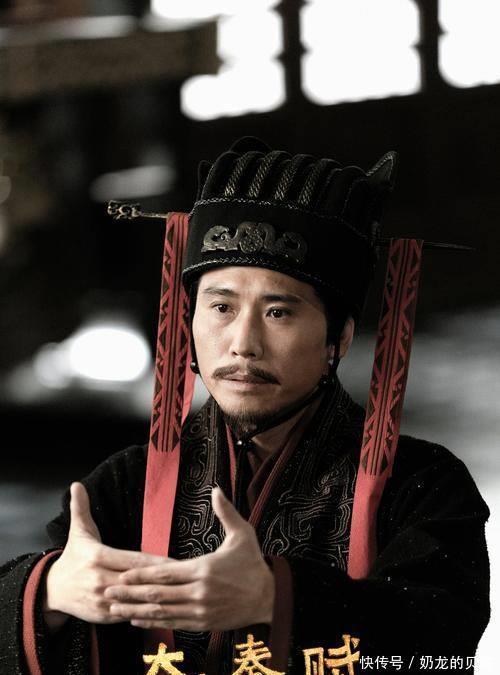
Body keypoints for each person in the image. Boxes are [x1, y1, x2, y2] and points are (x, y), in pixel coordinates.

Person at [0, 138, 490, 675]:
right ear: (188, 322)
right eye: (221, 307)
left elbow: (443, 649)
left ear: (339, 339)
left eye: (278, 312)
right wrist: (50, 594)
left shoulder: (422, 484)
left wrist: (277, 598)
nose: (243, 344)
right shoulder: (124, 486)